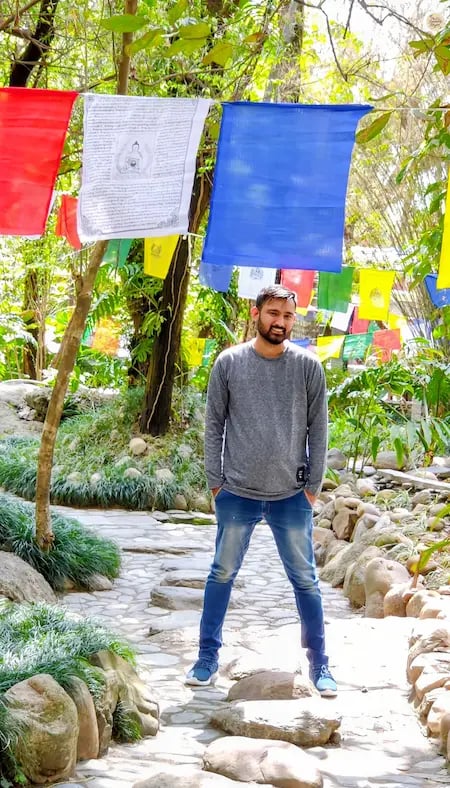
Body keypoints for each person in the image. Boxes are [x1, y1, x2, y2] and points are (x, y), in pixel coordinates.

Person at [185, 284, 337, 697]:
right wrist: (215, 483)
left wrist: (312, 488)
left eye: (288, 316)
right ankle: (206, 657)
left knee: (305, 581)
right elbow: (213, 424)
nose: (281, 322)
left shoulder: (308, 367)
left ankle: (320, 665)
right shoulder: (229, 362)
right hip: (236, 491)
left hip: (291, 495)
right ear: (257, 314)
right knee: (222, 573)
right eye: (273, 313)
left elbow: (318, 429)